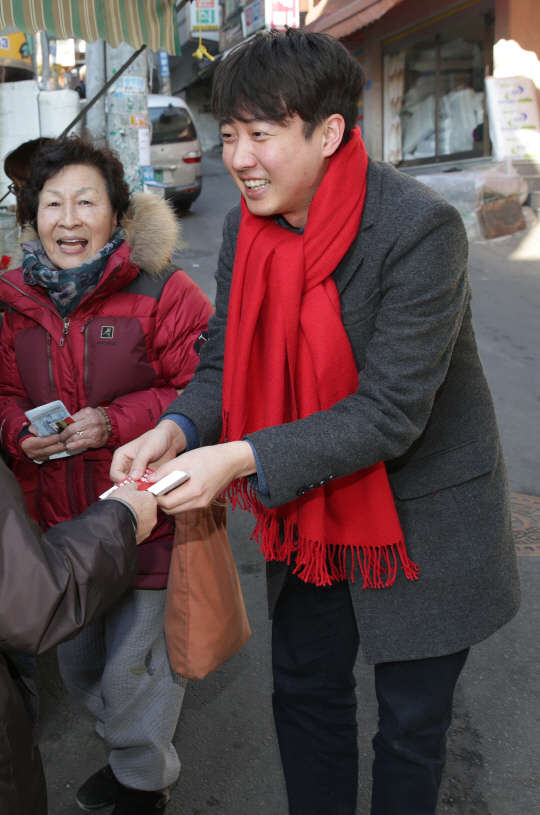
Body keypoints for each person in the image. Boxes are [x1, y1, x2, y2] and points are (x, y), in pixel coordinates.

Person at [110, 29, 520, 815]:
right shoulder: (246, 229)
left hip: (424, 513)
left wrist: (234, 458)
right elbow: (225, 363)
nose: (239, 158)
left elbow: (391, 411)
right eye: (228, 135)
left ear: (328, 132)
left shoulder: (418, 228)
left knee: (410, 728)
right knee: (305, 696)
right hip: (308, 507)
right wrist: (180, 429)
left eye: (261, 134)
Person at [0, 135, 213, 815]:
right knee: (82, 665)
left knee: (130, 672)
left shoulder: (164, 291)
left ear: (116, 216)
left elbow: (209, 386)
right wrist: (16, 433)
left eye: (86, 201)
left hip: (150, 518)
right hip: (61, 532)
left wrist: (115, 422)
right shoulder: (9, 302)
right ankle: (132, 748)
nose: (69, 219)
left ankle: (142, 780)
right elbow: (2, 396)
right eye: (53, 204)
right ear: (32, 220)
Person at [0, 461, 156, 815]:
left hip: (121, 553)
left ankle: (143, 779)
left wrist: (110, 422)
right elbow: (32, 602)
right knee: (84, 675)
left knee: (136, 682)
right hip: (69, 548)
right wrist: (122, 521)